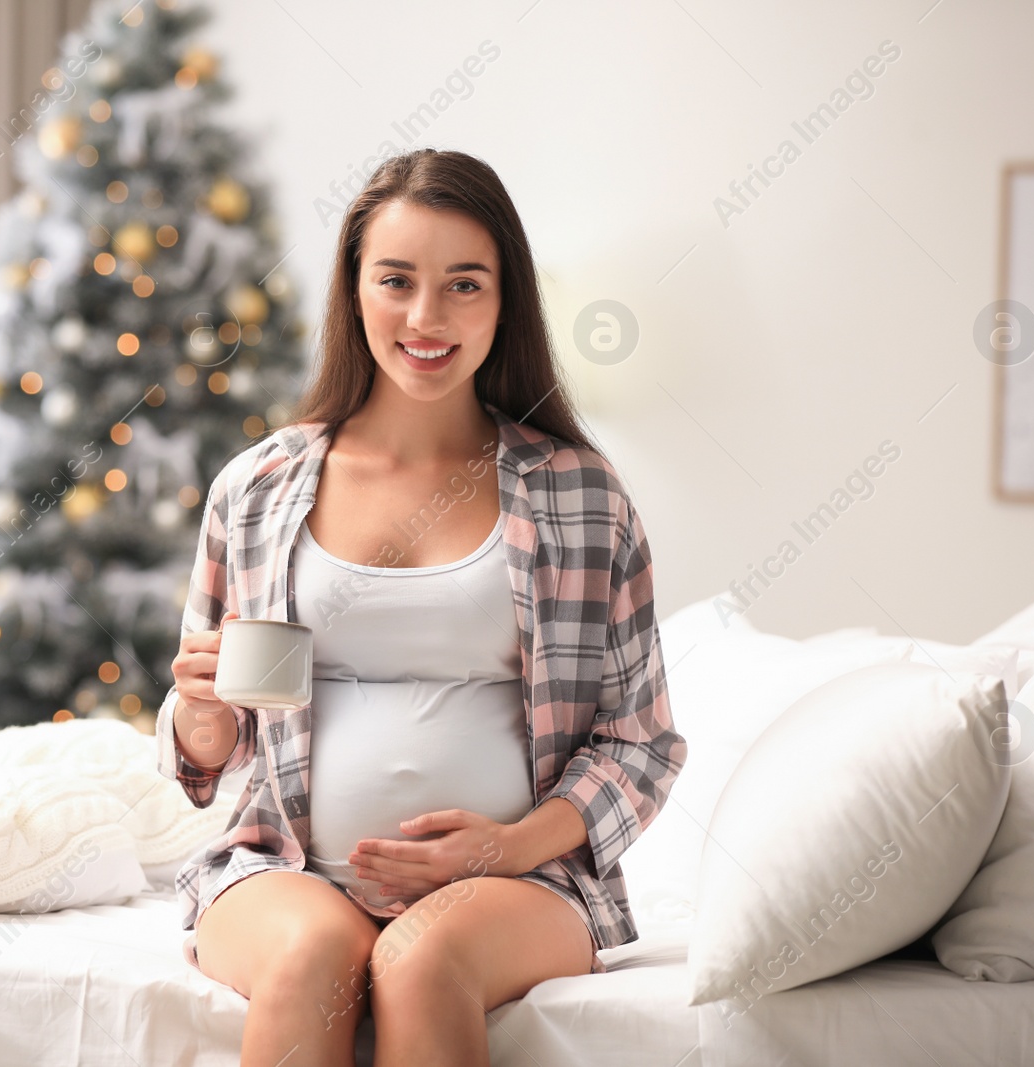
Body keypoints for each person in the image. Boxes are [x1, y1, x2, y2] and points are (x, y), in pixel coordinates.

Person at [154, 147, 686, 1067]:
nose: (426, 317)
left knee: (418, 956)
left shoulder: (580, 496)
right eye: (395, 280)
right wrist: (199, 712)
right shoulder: (260, 488)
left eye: (464, 285)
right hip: (284, 865)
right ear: (353, 290)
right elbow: (216, 750)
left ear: (504, 302)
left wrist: (511, 847)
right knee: (318, 952)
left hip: (521, 881)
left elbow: (639, 743)